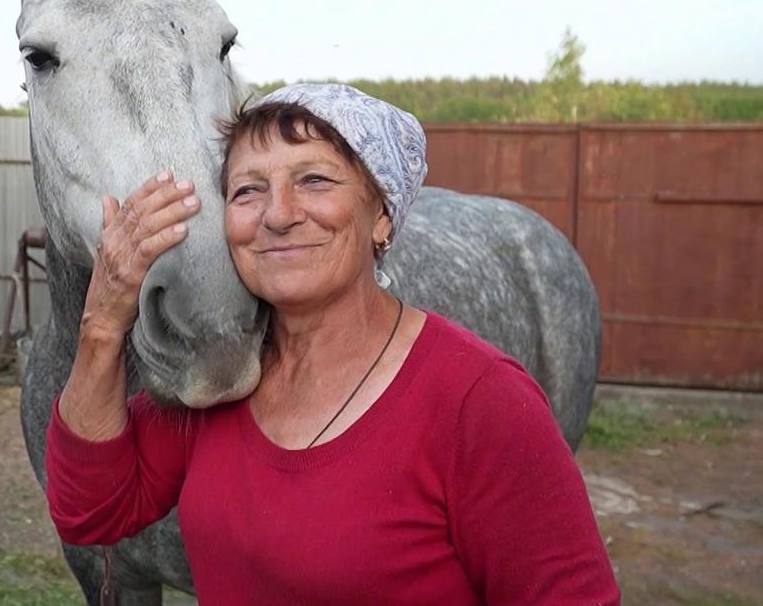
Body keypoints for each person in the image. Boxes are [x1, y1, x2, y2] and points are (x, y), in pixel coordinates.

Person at [45, 83, 620, 604]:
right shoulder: (223, 376)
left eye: (314, 180)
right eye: (247, 191)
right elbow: (91, 510)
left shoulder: (482, 402)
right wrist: (101, 327)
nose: (278, 214)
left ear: (382, 218)